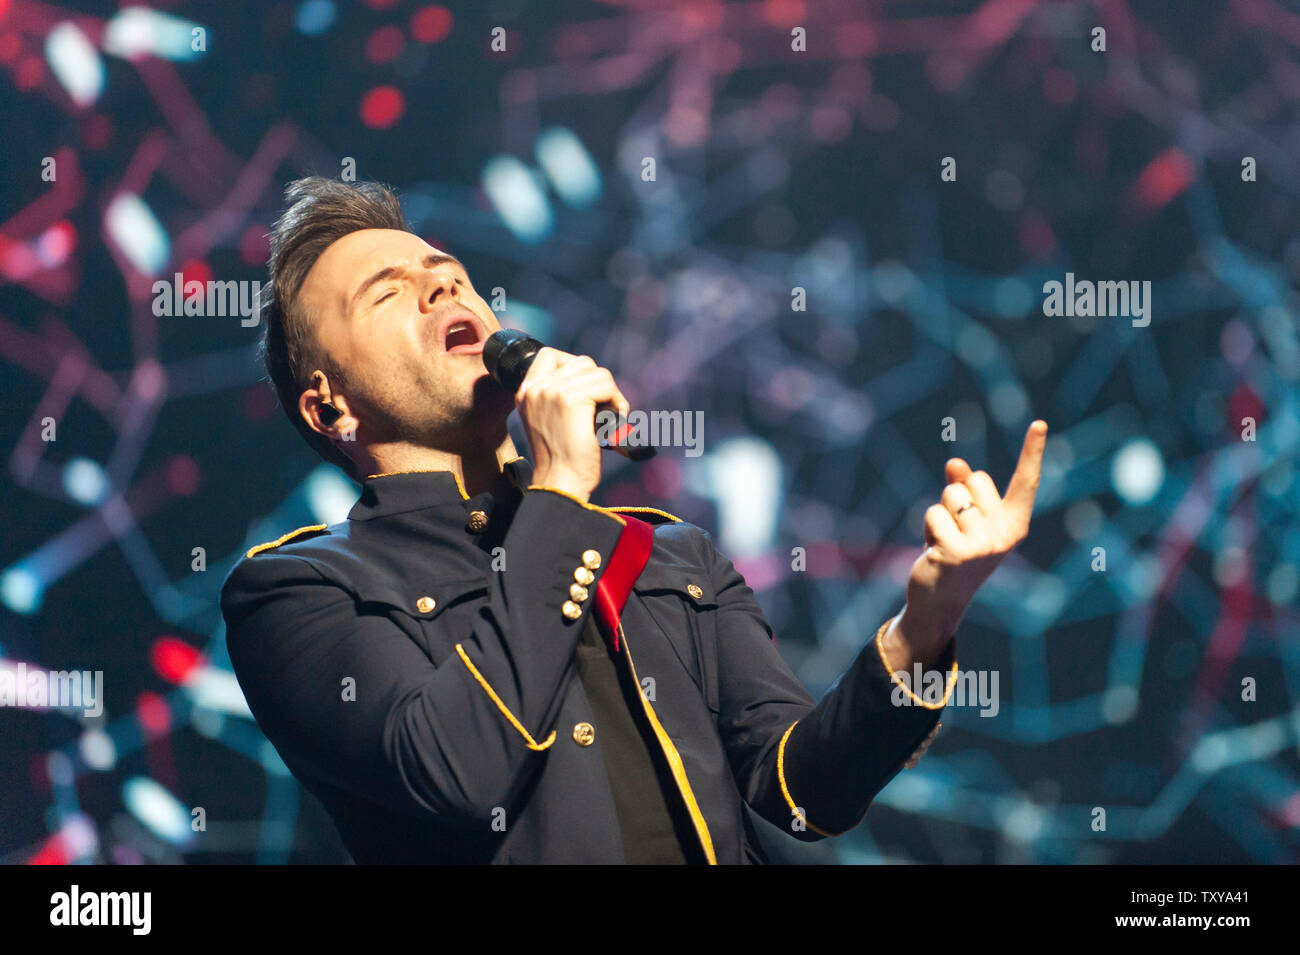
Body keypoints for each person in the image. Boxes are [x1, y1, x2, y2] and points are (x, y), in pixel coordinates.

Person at [221, 176, 1047, 864]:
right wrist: (558, 491)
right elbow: (459, 769)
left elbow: (801, 792)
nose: (443, 285)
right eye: (389, 292)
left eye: (450, 273)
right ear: (328, 406)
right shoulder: (298, 593)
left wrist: (925, 623)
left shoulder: (665, 553)